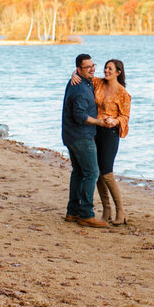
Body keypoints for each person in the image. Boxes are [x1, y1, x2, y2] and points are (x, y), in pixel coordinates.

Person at [71, 58, 132, 225]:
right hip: (95, 130)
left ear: (118, 72)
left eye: (110, 69)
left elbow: (125, 117)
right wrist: (73, 74)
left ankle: (120, 209)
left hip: (110, 133)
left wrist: (116, 121)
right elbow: (83, 74)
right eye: (105, 68)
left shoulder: (123, 94)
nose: (106, 71)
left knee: (107, 172)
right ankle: (106, 209)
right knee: (96, 172)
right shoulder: (98, 83)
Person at [61, 53, 117, 228]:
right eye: (88, 67)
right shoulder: (79, 88)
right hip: (80, 136)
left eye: (94, 66)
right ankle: (85, 214)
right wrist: (100, 122)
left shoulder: (83, 80)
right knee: (92, 173)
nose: (93, 69)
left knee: (78, 172)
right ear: (80, 69)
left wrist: (75, 74)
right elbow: (80, 116)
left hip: (71, 135)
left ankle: (73, 212)